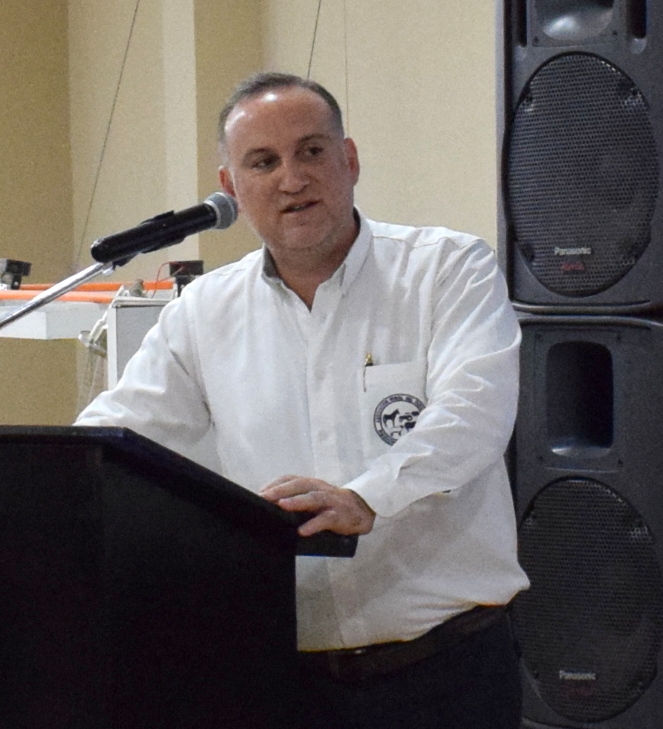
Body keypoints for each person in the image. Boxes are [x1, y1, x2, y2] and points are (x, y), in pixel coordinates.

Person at [75, 71, 529, 728]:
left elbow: (474, 415)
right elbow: (112, 441)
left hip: (445, 672)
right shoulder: (204, 312)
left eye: (311, 152)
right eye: (263, 162)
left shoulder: (445, 269)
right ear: (231, 187)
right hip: (278, 680)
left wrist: (366, 496)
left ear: (349, 160)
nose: (292, 179)